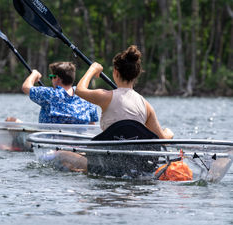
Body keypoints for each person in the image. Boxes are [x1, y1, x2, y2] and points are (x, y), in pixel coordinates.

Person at [54, 45, 173, 173]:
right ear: (136, 75)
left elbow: (80, 90)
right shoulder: (146, 106)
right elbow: (163, 140)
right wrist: (169, 132)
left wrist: (93, 69)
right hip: (136, 167)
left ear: (115, 72)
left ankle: (80, 169)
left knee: (59, 155)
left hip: (105, 165)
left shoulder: (105, 97)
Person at [6, 61, 98, 124]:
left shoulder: (50, 94)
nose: (51, 79)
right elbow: (91, 125)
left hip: (48, 142)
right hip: (78, 142)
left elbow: (26, 87)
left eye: (51, 76)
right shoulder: (86, 97)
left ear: (57, 78)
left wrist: (34, 74)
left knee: (10, 121)